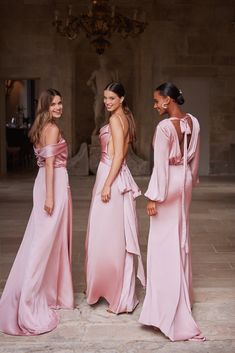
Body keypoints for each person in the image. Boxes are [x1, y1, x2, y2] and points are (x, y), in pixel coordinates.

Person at [0, 89, 74, 335]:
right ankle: (29, 301)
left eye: (60, 103)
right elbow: (51, 164)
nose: (59, 107)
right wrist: (51, 196)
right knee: (42, 244)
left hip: (45, 182)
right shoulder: (51, 129)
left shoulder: (39, 127)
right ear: (45, 107)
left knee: (40, 240)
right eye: (54, 104)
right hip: (51, 185)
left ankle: (45, 291)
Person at [139, 82, 205, 341]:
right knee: (180, 236)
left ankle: (165, 307)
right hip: (185, 181)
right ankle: (183, 296)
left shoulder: (164, 127)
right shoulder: (193, 122)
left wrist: (154, 196)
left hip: (168, 185)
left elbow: (160, 167)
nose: (155, 105)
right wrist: (189, 180)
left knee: (162, 242)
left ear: (167, 100)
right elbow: (194, 160)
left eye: (156, 101)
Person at [85, 82, 145, 314]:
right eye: (105, 98)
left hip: (111, 175)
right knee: (114, 234)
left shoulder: (114, 120)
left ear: (121, 98)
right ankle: (115, 288)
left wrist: (107, 184)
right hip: (114, 174)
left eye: (111, 98)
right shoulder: (125, 118)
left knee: (106, 235)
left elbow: (119, 154)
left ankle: (117, 292)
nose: (107, 102)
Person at [87, 55, 118, 135]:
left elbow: (116, 84)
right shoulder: (97, 72)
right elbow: (89, 82)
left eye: (105, 61)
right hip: (100, 95)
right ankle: (97, 127)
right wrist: (94, 89)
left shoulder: (111, 72)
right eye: (102, 61)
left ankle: (105, 131)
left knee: (107, 115)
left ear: (107, 62)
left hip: (109, 96)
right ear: (100, 62)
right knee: (97, 114)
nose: (103, 63)